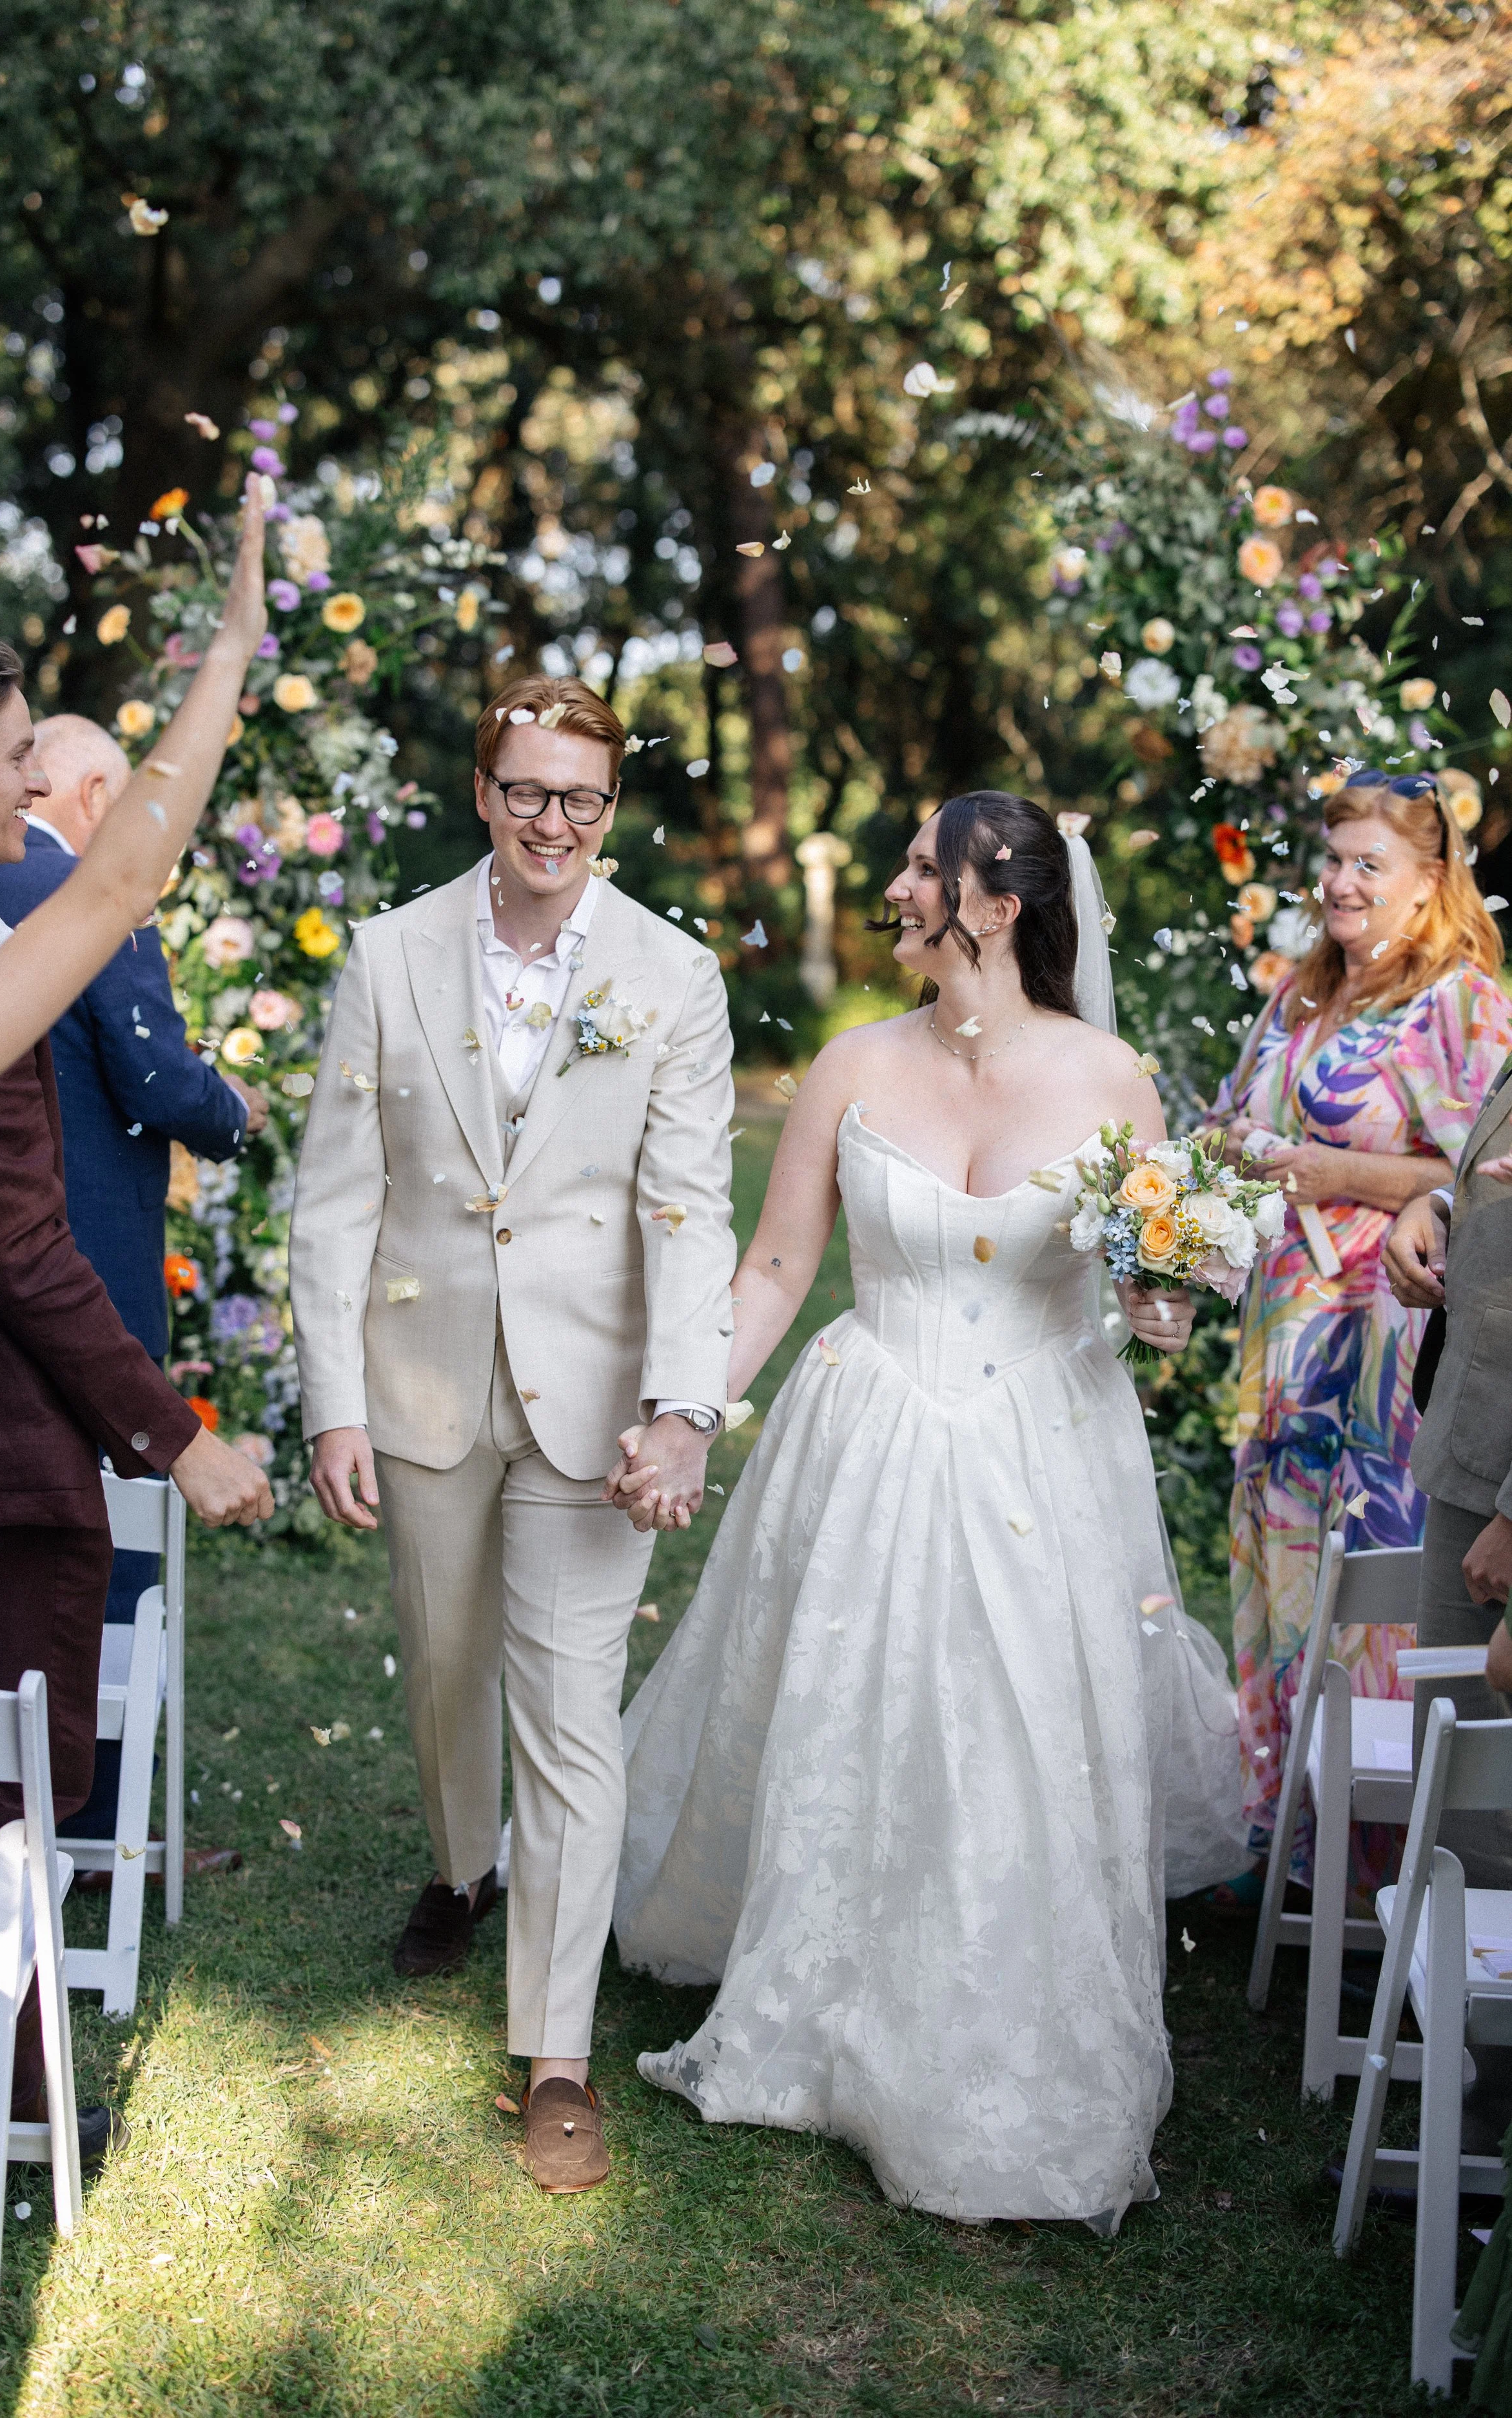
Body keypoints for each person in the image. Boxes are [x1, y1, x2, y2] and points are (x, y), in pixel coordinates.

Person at [612, 792, 1244, 2232]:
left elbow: (1147, 1282)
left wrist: (1158, 1298)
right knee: (852, 1702)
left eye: (918, 868)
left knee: (1014, 1721)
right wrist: (684, 1410)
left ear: (997, 903)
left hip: (1041, 1449)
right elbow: (775, 1270)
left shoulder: (1110, 1077)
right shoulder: (850, 1063)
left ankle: (994, 2016)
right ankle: (822, 1980)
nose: (896, 888)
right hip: (871, 1422)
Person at [0, 475, 270, 2410]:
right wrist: (168, 1423)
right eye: (4, 744)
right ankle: (5, 2115)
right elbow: (18, 1238)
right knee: (10, 1780)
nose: (26, 766)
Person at [288, 673, 737, 2194]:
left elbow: (689, 1214)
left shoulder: (670, 977)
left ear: (612, 811)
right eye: (530, 793)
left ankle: (552, 2050)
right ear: (482, 792)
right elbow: (336, 1193)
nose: (555, 823)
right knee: (443, 1661)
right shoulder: (386, 953)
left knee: (569, 1712)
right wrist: (332, 1399)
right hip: (416, 1378)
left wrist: (682, 1407)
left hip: (594, 1398)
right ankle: (456, 1866)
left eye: (584, 799)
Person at [1202, 769, 1512, 1909]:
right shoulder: (1300, 989)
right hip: (1281, 1328)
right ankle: (1284, 1832)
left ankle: (1377, 1859)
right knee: (1279, 1562)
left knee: (1361, 1573)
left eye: (1366, 863)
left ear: (1430, 881)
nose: (1338, 881)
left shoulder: (1460, 1003)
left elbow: (1478, 1182)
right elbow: (1237, 1115)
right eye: (1331, 858)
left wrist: (1338, 1175)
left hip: (1382, 1341)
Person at [0, 714, 266, 1854]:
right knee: (109, 1543)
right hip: (84, 1268)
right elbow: (153, 1075)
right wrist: (233, 1112)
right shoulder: (93, 898)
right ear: (96, 792)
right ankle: (90, 1824)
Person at [1384, 1047, 1512, 1882]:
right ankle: (1457, 2006)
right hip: (1473, 1446)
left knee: (1482, 1796)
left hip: (1501, 1491)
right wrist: (1432, 1206)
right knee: (1459, 1783)